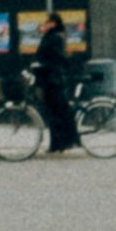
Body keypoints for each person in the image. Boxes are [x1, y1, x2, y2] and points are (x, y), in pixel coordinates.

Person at [34, 9, 80, 152]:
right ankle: (59, 143)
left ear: (53, 24)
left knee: (57, 112)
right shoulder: (52, 36)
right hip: (51, 78)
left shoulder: (54, 37)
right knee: (55, 112)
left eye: (47, 22)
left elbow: (56, 56)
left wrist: (43, 64)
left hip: (53, 79)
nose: (44, 25)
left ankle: (65, 141)